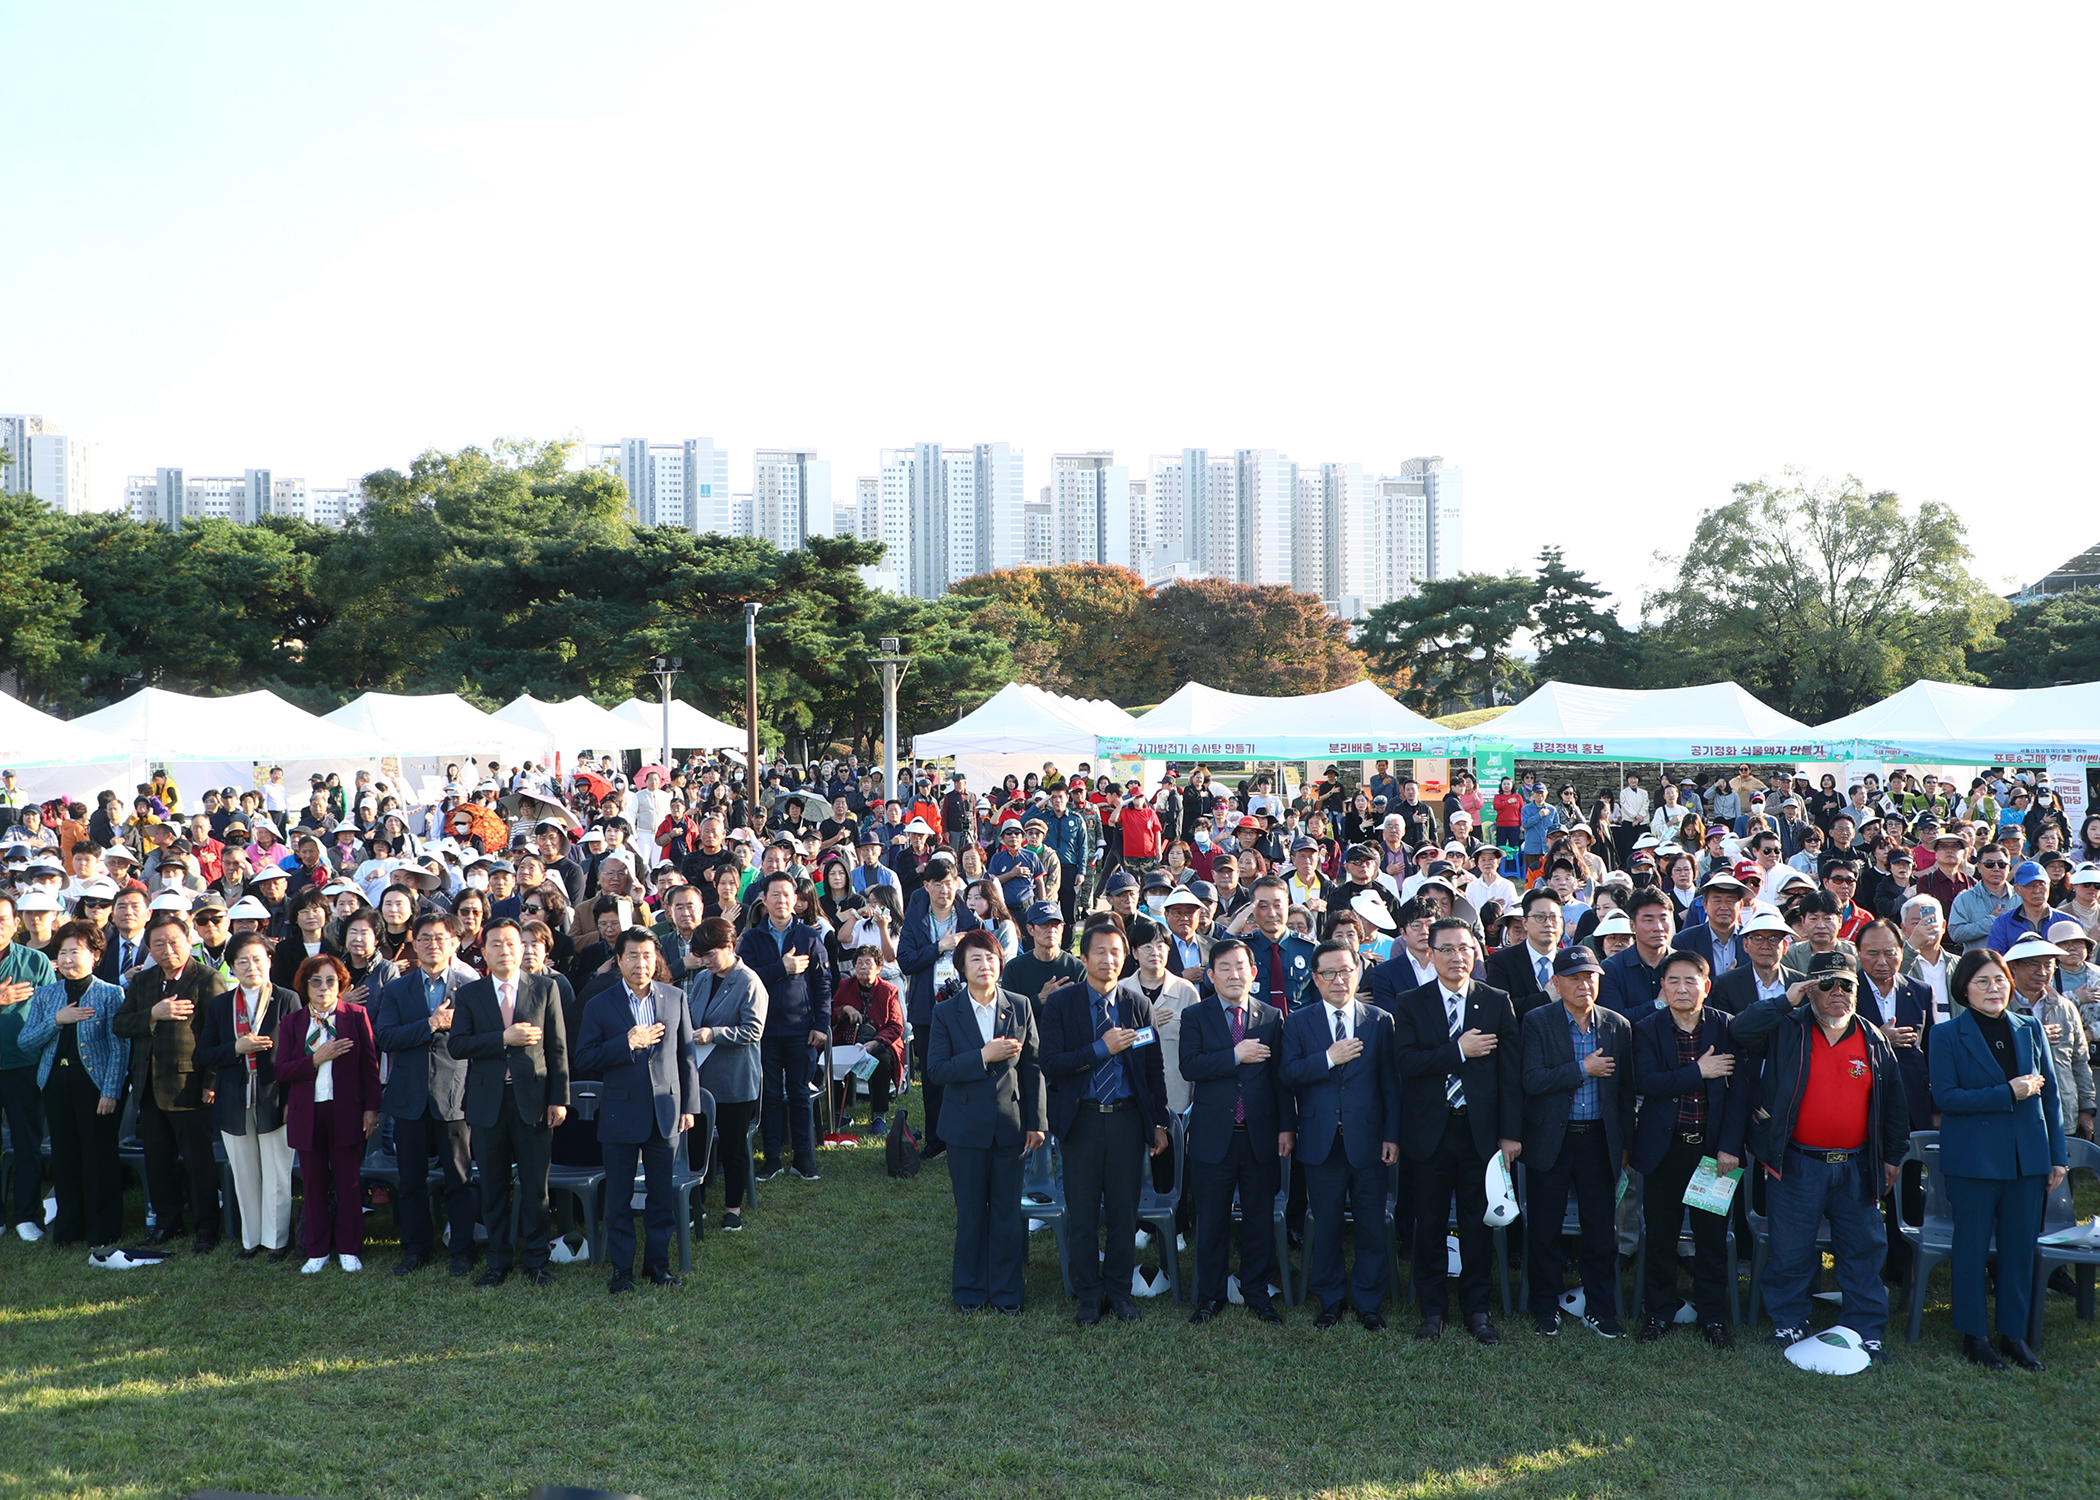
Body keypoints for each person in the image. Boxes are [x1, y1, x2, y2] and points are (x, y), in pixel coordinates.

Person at [1725, 951, 1910, 1359]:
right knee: (1790, 1250)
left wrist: (1892, 1157)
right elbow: (1740, 1032)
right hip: (1797, 1163)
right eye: (1827, 984)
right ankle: (1790, 1322)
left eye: (1847, 984)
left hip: (1857, 1165)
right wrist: (1784, 1001)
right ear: (1809, 990)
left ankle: (1866, 1326)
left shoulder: (1873, 1038)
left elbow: (1894, 1103)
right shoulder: (1787, 1027)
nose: (1839, 992)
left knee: (1863, 1249)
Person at [1931, 947, 2067, 1371]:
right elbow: (1947, 1099)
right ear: (1964, 989)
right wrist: (2008, 1092)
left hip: (2028, 1159)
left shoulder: (2029, 1028)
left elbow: (2052, 1097)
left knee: (2019, 1249)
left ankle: (2014, 1335)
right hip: (1974, 1160)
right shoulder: (1946, 1035)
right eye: (1983, 981)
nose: (1994, 989)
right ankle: (1975, 1336)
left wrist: (2057, 1157)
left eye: (2000, 980)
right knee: (1971, 1249)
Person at [1393, 916, 1522, 1344]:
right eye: (1445, 948)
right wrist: (1457, 1051)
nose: (1456, 957)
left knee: (1477, 1224)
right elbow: (1407, 1064)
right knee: (1428, 1222)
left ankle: (1477, 1309)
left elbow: (1510, 1074)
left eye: (1464, 948)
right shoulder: (1411, 1002)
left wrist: (1509, 1134)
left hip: (1481, 1135)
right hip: (1429, 1132)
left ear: (1477, 952)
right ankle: (1431, 1309)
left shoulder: (1496, 1000)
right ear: (1430, 953)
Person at [1039, 921, 1171, 1325]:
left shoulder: (1136, 1005)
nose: (1108, 960)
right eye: (1100, 952)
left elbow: (1153, 1069)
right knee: (1081, 1214)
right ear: (1084, 958)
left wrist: (1158, 1123)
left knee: (1122, 1212)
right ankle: (1088, 1296)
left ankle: (1119, 1291)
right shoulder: (1062, 1005)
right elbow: (1051, 1064)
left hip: (1128, 1122)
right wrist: (1101, 1048)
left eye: (1116, 952)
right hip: (1082, 1121)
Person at [1279, 938, 1401, 1328]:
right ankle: (1329, 1299)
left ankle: (1368, 1302)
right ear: (1315, 978)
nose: (1338, 979)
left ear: (1357, 971)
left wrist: (1392, 1135)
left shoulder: (1379, 1020)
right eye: (1328, 973)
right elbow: (1289, 1074)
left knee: (1370, 1224)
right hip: (1320, 1141)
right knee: (1326, 1225)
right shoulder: (1298, 1021)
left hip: (1369, 1140)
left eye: (1345, 970)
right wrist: (1328, 1059)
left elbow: (1390, 1085)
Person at [925, 928, 1044, 1313]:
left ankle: (1008, 1291)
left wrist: (1036, 1120)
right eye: (975, 958)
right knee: (972, 1213)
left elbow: (1034, 1067)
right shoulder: (945, 1012)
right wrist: (983, 1055)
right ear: (961, 967)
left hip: (1010, 1126)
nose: (984, 965)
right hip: (964, 1129)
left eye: (991, 958)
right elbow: (937, 1070)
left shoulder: (1019, 1005)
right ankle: (970, 1289)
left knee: (1008, 1212)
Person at [576, 925, 700, 1293]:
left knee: (662, 1195)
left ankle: (658, 1266)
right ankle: (622, 1270)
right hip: (619, 1114)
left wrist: (689, 1104)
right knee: (618, 1198)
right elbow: (584, 1057)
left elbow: (687, 1057)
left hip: (666, 1111)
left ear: (656, 960)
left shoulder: (674, 998)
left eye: (648, 956)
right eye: (632, 955)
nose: (641, 963)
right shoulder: (600, 1003)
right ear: (618, 960)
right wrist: (626, 1043)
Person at [1520, 944, 1636, 1337]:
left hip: (1598, 1141)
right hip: (1551, 1140)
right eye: (1573, 978)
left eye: (1590, 976)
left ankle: (1601, 1308)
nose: (1584, 984)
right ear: (1556, 983)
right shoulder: (1537, 1022)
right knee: (1545, 1229)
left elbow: (1624, 1093)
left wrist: (1623, 1145)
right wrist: (1581, 1069)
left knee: (1601, 1230)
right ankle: (1544, 1307)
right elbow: (1531, 1080)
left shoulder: (1617, 1026)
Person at [449, 917, 570, 1287]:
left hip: (532, 1099)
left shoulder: (545, 988)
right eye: (496, 944)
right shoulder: (471, 994)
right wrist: (503, 1038)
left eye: (511, 944)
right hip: (487, 1102)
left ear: (524, 948)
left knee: (535, 1186)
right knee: (494, 1186)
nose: (504, 951)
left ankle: (536, 1260)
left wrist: (558, 1098)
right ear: (483, 952)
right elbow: (458, 1045)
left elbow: (557, 1048)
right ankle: (498, 1261)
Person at [1180, 937, 1293, 1324]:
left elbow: (1282, 1081)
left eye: (1240, 966)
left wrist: (1286, 1128)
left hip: (1260, 1136)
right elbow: (1190, 1067)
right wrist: (1234, 1055)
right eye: (1224, 968)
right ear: (1210, 976)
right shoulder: (1196, 1016)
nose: (1233, 974)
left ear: (1254, 972)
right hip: (1214, 1136)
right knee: (1211, 1219)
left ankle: (1257, 1292)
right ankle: (1209, 1296)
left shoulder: (1272, 1017)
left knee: (1259, 1218)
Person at [1629, 950, 1738, 1346]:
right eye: (1673, 980)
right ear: (1662, 987)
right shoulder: (1646, 1029)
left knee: (1711, 1239)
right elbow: (1646, 1082)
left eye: (1690, 980)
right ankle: (1658, 1313)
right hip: (1665, 1151)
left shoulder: (1725, 1027)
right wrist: (1698, 1072)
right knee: (1660, 1236)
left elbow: (1738, 1094)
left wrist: (1729, 1147)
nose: (1681, 988)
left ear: (1706, 987)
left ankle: (1712, 1318)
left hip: (1712, 1155)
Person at [112, 911, 228, 1252]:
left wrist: (212, 1081)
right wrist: (153, 1014)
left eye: (173, 941)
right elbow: (120, 1024)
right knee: (158, 1162)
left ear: (188, 940)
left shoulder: (206, 979)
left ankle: (206, 1227)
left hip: (190, 1087)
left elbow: (219, 1034)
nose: (167, 950)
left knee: (198, 1163)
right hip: (148, 1086)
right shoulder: (143, 982)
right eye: (158, 943)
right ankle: (167, 1223)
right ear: (149, 947)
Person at [374, 912, 481, 1276]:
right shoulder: (396, 988)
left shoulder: (470, 985)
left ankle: (462, 1250)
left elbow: (477, 1041)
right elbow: (385, 1037)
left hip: (454, 1095)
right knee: (411, 1179)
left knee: (459, 1178)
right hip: (408, 1095)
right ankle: (416, 1248)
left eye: (440, 938)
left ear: (454, 942)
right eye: (424, 938)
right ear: (414, 942)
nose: (432, 944)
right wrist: (430, 1024)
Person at [16, 920, 127, 1254]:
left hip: (94, 1084)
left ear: (94, 955)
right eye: (62, 952)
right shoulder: (48, 994)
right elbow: (25, 1042)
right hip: (55, 1083)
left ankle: (102, 1230)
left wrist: (110, 1091)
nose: (67, 959)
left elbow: (119, 1048)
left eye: (75, 951)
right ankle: (68, 1230)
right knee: (64, 1158)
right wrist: (56, 1020)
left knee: (98, 1157)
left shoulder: (111, 993)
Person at [193, 932, 297, 1260]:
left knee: (277, 1171)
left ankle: (276, 1241)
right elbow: (204, 1052)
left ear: (269, 961)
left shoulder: (286, 998)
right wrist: (236, 1048)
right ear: (232, 968)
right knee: (244, 1171)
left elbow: (297, 1051)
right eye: (242, 961)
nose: (251, 966)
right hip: (234, 1096)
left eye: (257, 959)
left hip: (275, 1095)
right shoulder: (222, 1004)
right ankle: (251, 1240)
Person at [276, 953, 382, 1272]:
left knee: (349, 1182)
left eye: (331, 981)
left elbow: (370, 1067)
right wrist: (315, 1059)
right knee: (314, 1183)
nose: (324, 987)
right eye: (316, 981)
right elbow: (281, 1070)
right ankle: (317, 1249)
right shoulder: (293, 1022)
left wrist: (371, 1108)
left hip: (346, 1110)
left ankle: (350, 1248)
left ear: (341, 984)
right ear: (304, 986)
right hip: (307, 1113)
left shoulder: (355, 1015)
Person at [738, 870, 831, 1183]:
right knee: (771, 1096)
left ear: (796, 901)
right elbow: (745, 981)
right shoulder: (750, 939)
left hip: (801, 1029)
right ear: (764, 901)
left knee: (800, 1094)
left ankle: (804, 1157)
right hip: (763, 1031)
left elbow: (822, 984)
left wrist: (821, 1023)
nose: (781, 900)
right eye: (774, 894)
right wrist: (782, 968)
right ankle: (773, 1157)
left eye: (786, 895)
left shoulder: (809, 937)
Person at [683, 916, 767, 1233]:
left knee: (732, 1148)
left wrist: (714, 1034)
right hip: (702, 1079)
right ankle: (695, 1204)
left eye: (710, 955)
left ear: (729, 947)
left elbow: (753, 1030)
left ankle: (733, 1207)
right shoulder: (704, 978)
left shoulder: (749, 981)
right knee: (696, 1144)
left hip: (734, 1079)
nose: (704, 962)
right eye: (700, 956)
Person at [897, 854, 981, 1161]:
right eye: (937, 884)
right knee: (933, 1077)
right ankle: (936, 1138)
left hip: (965, 1006)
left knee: (966, 1072)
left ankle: (966, 1133)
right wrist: (939, 948)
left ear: (957, 883)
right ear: (927, 886)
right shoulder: (915, 919)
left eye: (950, 883)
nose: (945, 890)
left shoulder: (971, 920)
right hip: (926, 1009)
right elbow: (905, 961)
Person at [0, 891, 59, 1239]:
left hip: (24, 1065)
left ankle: (25, 1214)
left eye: (3, 919)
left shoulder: (34, 962)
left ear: (15, 923)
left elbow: (52, 1014)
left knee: (27, 1144)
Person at [830, 945, 903, 1134]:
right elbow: (830, 1013)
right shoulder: (845, 986)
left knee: (882, 1061)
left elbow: (896, 1026)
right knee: (833, 1058)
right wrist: (844, 1009)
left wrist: (875, 1042)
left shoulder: (889, 990)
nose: (862, 966)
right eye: (858, 963)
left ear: (879, 968)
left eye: (868, 962)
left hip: (878, 1041)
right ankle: (840, 1112)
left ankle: (879, 1115)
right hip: (848, 1038)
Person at [1482, 886, 1564, 1017]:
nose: (1548, 923)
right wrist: (1545, 998)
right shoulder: (1501, 962)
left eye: (1554, 917)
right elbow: (1499, 1008)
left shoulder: (1569, 960)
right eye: (1540, 917)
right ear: (1525, 923)